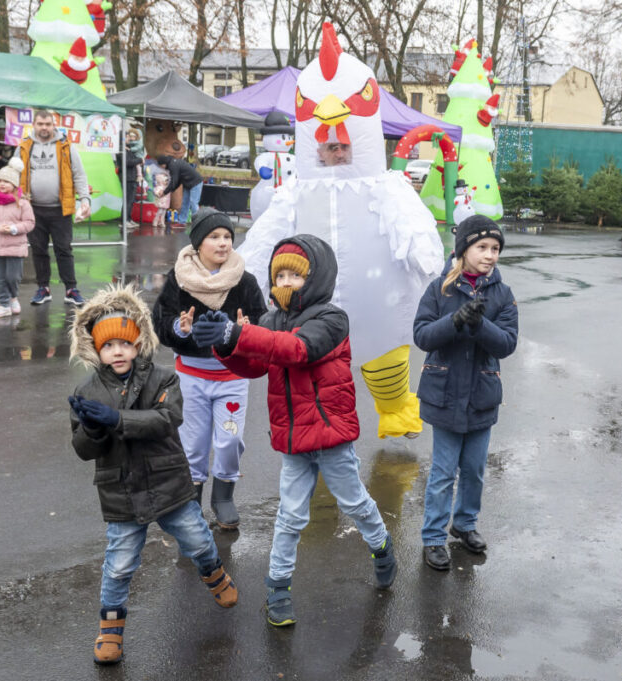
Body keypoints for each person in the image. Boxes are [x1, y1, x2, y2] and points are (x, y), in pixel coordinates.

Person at [191, 235, 398, 626]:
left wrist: (238, 334)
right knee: (289, 517)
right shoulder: (271, 321)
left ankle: (381, 545)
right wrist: (225, 345)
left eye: (295, 276)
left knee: (355, 504)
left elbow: (298, 350)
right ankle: (278, 588)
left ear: (316, 278)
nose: (285, 282)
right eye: (279, 275)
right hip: (293, 439)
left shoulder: (332, 319)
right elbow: (255, 365)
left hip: (330, 436)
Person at [68, 283, 238, 665]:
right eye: (108, 345)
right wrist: (92, 430)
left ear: (138, 343)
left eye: (125, 343)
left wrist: (116, 419)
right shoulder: (87, 390)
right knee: (119, 566)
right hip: (121, 494)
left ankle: (214, 573)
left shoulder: (163, 378)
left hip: (169, 484)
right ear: (95, 349)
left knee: (198, 541)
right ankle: (110, 628)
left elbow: (167, 419)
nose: (117, 351)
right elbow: (82, 450)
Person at [413, 216, 519, 570]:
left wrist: (479, 324)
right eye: (482, 247)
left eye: (496, 249)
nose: (490, 255)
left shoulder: (503, 294)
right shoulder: (439, 289)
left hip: (481, 397)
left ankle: (465, 523)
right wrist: (455, 320)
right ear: (463, 250)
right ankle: (433, 536)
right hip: (444, 395)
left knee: (474, 469)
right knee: (443, 472)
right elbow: (423, 336)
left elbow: (507, 343)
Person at [150, 208, 267, 529]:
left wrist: (248, 331)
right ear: (199, 242)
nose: (223, 243)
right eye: (214, 236)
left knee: (229, 441)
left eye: (227, 236)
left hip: (232, 378)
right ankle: (191, 502)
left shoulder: (244, 281)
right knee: (193, 445)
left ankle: (223, 497)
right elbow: (160, 322)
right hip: (191, 377)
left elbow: (264, 322)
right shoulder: (179, 279)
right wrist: (179, 328)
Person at [14, 109, 91, 306]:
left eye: (48, 124)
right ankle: (43, 288)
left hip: (60, 209)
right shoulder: (24, 146)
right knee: (38, 249)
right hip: (32, 209)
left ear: (53, 125)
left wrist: (85, 199)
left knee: (64, 249)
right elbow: (13, 175)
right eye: (40, 124)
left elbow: (79, 174)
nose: (44, 128)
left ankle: (71, 289)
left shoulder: (66, 146)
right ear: (34, 125)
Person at [0, 158, 35, 318]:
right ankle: (4, 305)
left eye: (6, 181)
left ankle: (13, 297)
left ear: (14, 184)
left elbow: (30, 222)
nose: (2, 184)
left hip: (15, 247)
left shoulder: (23, 203)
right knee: (0, 278)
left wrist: (15, 228)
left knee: (13, 277)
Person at [156, 151, 203, 229]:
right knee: (185, 202)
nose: (161, 167)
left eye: (161, 166)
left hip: (195, 182)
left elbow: (174, 181)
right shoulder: (173, 163)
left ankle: (199, 223)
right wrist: (170, 190)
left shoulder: (173, 165)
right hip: (187, 183)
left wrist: (165, 192)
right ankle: (182, 222)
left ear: (163, 163)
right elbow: (177, 181)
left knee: (193, 203)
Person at [120, 128, 144, 231]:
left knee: (131, 200)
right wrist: (140, 160)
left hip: (132, 177)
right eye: (127, 137)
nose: (129, 139)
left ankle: (128, 219)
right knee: (128, 200)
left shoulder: (128, 148)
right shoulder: (122, 149)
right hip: (127, 177)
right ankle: (124, 221)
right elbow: (127, 162)